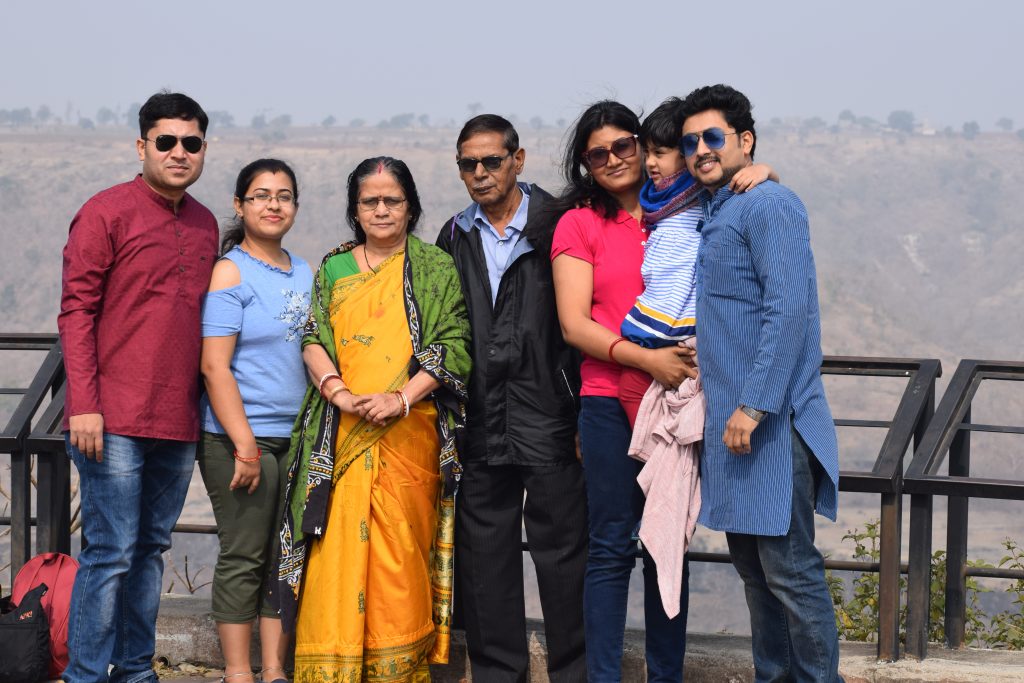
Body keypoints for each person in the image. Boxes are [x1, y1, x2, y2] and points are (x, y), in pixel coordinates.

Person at [273, 157, 471, 682]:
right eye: (370, 201)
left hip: (409, 433)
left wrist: (401, 399)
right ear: (355, 210)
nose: (381, 210)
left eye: (392, 200)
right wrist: (338, 393)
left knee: (399, 563)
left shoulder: (434, 268)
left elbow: (453, 346)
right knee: (333, 556)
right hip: (340, 434)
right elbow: (313, 337)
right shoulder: (334, 267)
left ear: (410, 207)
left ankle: (396, 670)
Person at [679, 84, 843, 682]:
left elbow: (788, 312)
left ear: (744, 141)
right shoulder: (720, 205)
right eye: (690, 140)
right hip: (736, 431)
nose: (700, 149)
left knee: (791, 571)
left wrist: (754, 404)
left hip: (771, 427)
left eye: (713, 137)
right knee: (754, 572)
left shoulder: (769, 204)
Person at [58, 91, 218, 683]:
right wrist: (85, 407)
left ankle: (134, 671)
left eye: (191, 143)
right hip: (113, 418)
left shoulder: (203, 223)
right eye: (167, 141)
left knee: (149, 552)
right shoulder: (106, 212)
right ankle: (84, 675)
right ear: (142, 145)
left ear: (204, 148)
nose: (179, 153)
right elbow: (76, 312)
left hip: (178, 419)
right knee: (110, 554)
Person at [436, 114, 587, 682]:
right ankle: (500, 675)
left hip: (550, 416)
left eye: (491, 161)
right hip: (479, 422)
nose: (479, 173)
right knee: (485, 562)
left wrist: (580, 413)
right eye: (468, 164)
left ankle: (575, 674)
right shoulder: (454, 235)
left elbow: (586, 320)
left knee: (564, 559)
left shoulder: (560, 225)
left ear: (517, 161)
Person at [550, 101, 694, 682]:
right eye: (597, 153)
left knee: (669, 550)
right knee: (611, 544)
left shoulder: (683, 209)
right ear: (585, 163)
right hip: (608, 400)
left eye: (623, 146)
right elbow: (574, 325)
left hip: (675, 406)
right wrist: (648, 359)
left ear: (644, 145)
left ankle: (667, 675)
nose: (612, 159)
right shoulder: (580, 223)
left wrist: (767, 172)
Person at [198, 159, 313, 683]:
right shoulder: (231, 270)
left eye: (284, 196)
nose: (273, 205)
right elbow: (214, 365)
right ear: (239, 205)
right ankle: (239, 672)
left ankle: (274, 670)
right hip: (240, 438)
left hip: (299, 437)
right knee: (245, 553)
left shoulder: (306, 270)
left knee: (284, 555)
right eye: (261, 195)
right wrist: (244, 444)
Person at [619, 97, 776, 427]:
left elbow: (740, 182)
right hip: (651, 353)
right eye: (647, 153)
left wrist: (765, 171)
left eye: (660, 153)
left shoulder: (706, 196)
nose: (650, 163)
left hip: (692, 348)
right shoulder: (658, 203)